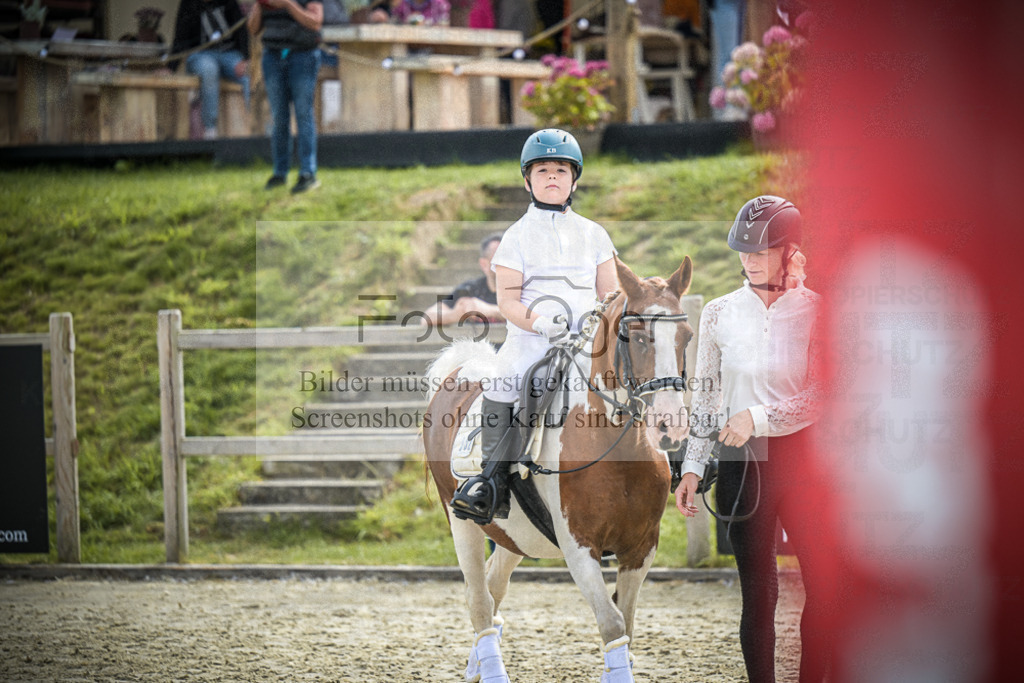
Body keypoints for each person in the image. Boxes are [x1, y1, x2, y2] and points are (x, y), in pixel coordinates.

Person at [675, 195, 843, 681]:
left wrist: (756, 415)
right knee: (759, 593)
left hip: (808, 462)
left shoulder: (817, 311)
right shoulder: (719, 313)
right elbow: (706, 399)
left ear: (790, 251)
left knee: (825, 587)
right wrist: (691, 466)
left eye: (762, 251)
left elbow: (821, 393)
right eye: (742, 251)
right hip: (742, 465)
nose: (749, 261)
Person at [450, 129, 618, 525]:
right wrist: (541, 323)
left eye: (561, 169)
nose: (553, 177)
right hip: (531, 340)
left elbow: (612, 295)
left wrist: (596, 319)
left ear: (574, 178)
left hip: (589, 338)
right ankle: (491, 483)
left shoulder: (595, 233)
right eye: (543, 170)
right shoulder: (516, 237)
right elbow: (508, 301)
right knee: (502, 380)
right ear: (528, 180)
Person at [247, 0, 324, 194]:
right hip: (273, 56)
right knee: (279, 118)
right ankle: (279, 172)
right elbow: (253, 28)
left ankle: (308, 173)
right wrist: (259, 5)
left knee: (303, 114)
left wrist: (288, 4)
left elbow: (315, 22)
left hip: (303, 55)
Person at [169, 0, 250, 141]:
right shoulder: (188, 4)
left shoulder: (229, 2)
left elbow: (241, 29)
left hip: (229, 54)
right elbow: (180, 36)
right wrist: (170, 67)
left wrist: (245, 58)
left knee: (247, 77)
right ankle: (210, 130)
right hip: (200, 54)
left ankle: (252, 126)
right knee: (209, 70)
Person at [423, 233, 505, 327]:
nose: (507, 263)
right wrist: (456, 314)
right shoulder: (469, 289)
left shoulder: (521, 289)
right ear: (484, 264)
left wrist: (490, 310)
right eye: (499, 258)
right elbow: (426, 318)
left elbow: (525, 315)